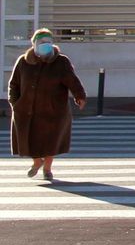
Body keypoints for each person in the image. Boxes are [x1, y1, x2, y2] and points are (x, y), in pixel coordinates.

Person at [9, 28, 87, 183]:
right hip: (26, 109)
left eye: (48, 42)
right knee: (29, 138)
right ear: (34, 44)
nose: (46, 45)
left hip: (53, 109)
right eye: (42, 42)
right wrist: (14, 103)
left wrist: (80, 96)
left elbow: (72, 80)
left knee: (51, 140)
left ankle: (47, 168)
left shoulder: (61, 61)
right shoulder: (23, 61)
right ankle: (37, 161)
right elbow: (14, 84)